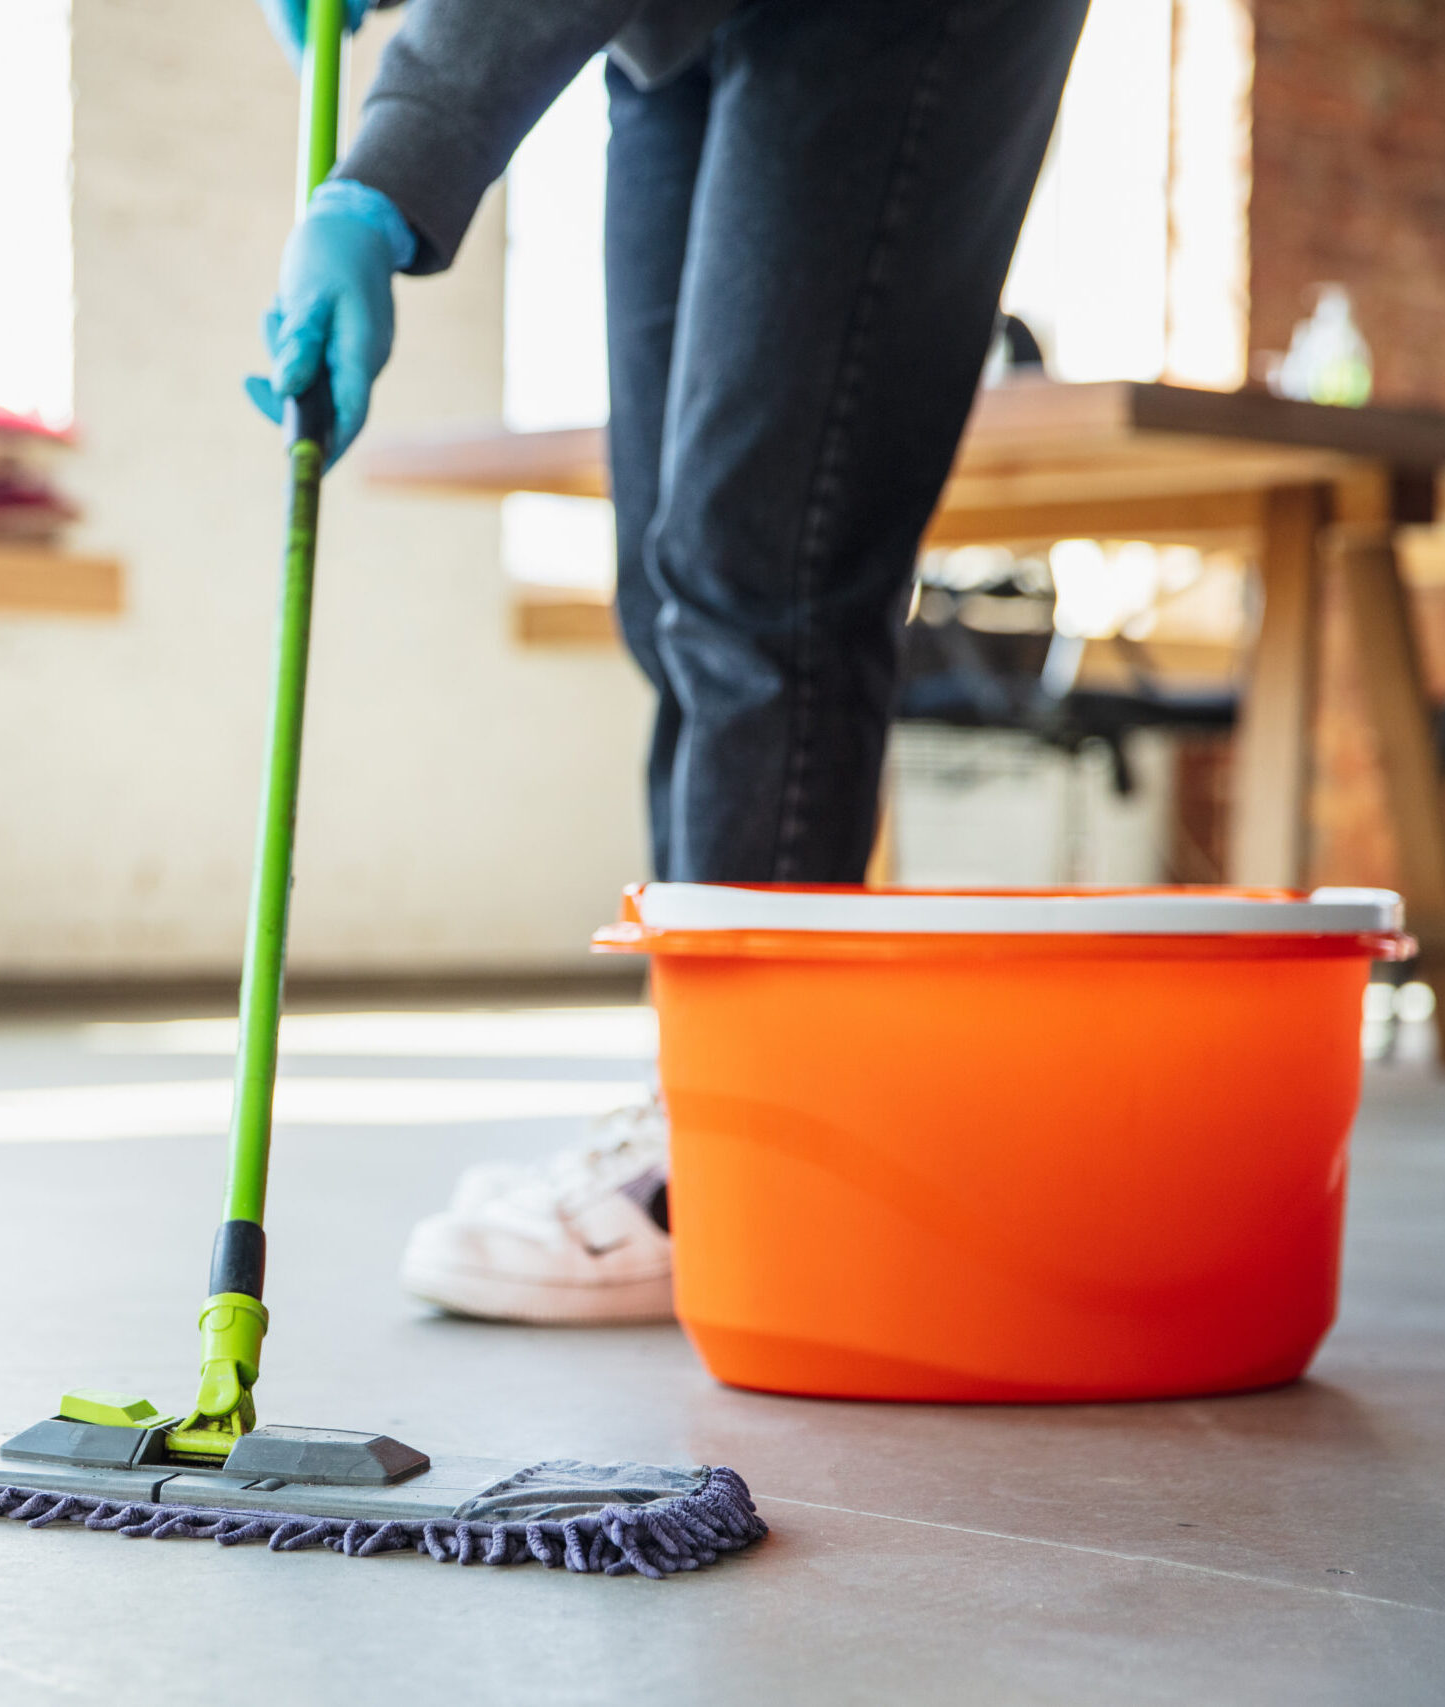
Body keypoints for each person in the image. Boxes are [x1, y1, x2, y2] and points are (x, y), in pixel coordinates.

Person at [246, 0, 1090, 1322]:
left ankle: (743, 1154)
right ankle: (698, 1093)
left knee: (764, 569)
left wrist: (382, 179)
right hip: (674, 33)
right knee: (665, 574)